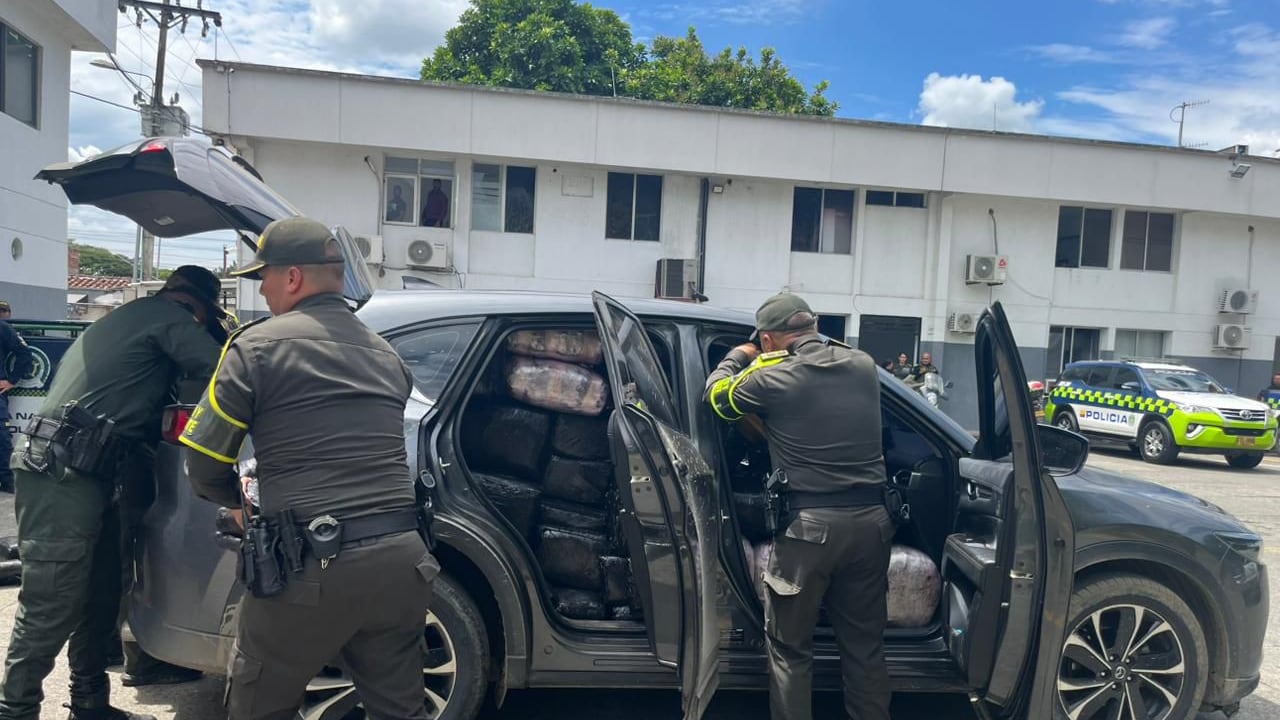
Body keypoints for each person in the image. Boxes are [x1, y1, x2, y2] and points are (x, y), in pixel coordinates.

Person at [179, 216, 437, 720]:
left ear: (292, 277)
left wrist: (236, 504)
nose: (265, 291)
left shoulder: (255, 347)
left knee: (260, 704)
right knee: (399, 711)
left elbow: (203, 458)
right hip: (403, 562)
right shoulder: (387, 356)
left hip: (311, 566)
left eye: (265, 278)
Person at [0, 270, 227, 720]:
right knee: (53, 600)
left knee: (102, 592)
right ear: (195, 305)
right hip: (61, 472)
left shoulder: (126, 318)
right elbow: (219, 368)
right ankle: (15, 709)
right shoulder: (170, 317)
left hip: (91, 471)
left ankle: (89, 702)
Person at [703, 292, 892, 720]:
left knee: (790, 651)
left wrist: (738, 355)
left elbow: (715, 397)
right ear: (813, 326)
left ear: (768, 340)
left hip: (809, 534)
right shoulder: (862, 365)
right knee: (864, 649)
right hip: (872, 528)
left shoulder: (773, 379)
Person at [0, 301, 34, 494]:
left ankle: (6, 480)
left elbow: (24, 354)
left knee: (2, 436)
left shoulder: (3, 329)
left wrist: (11, 380)